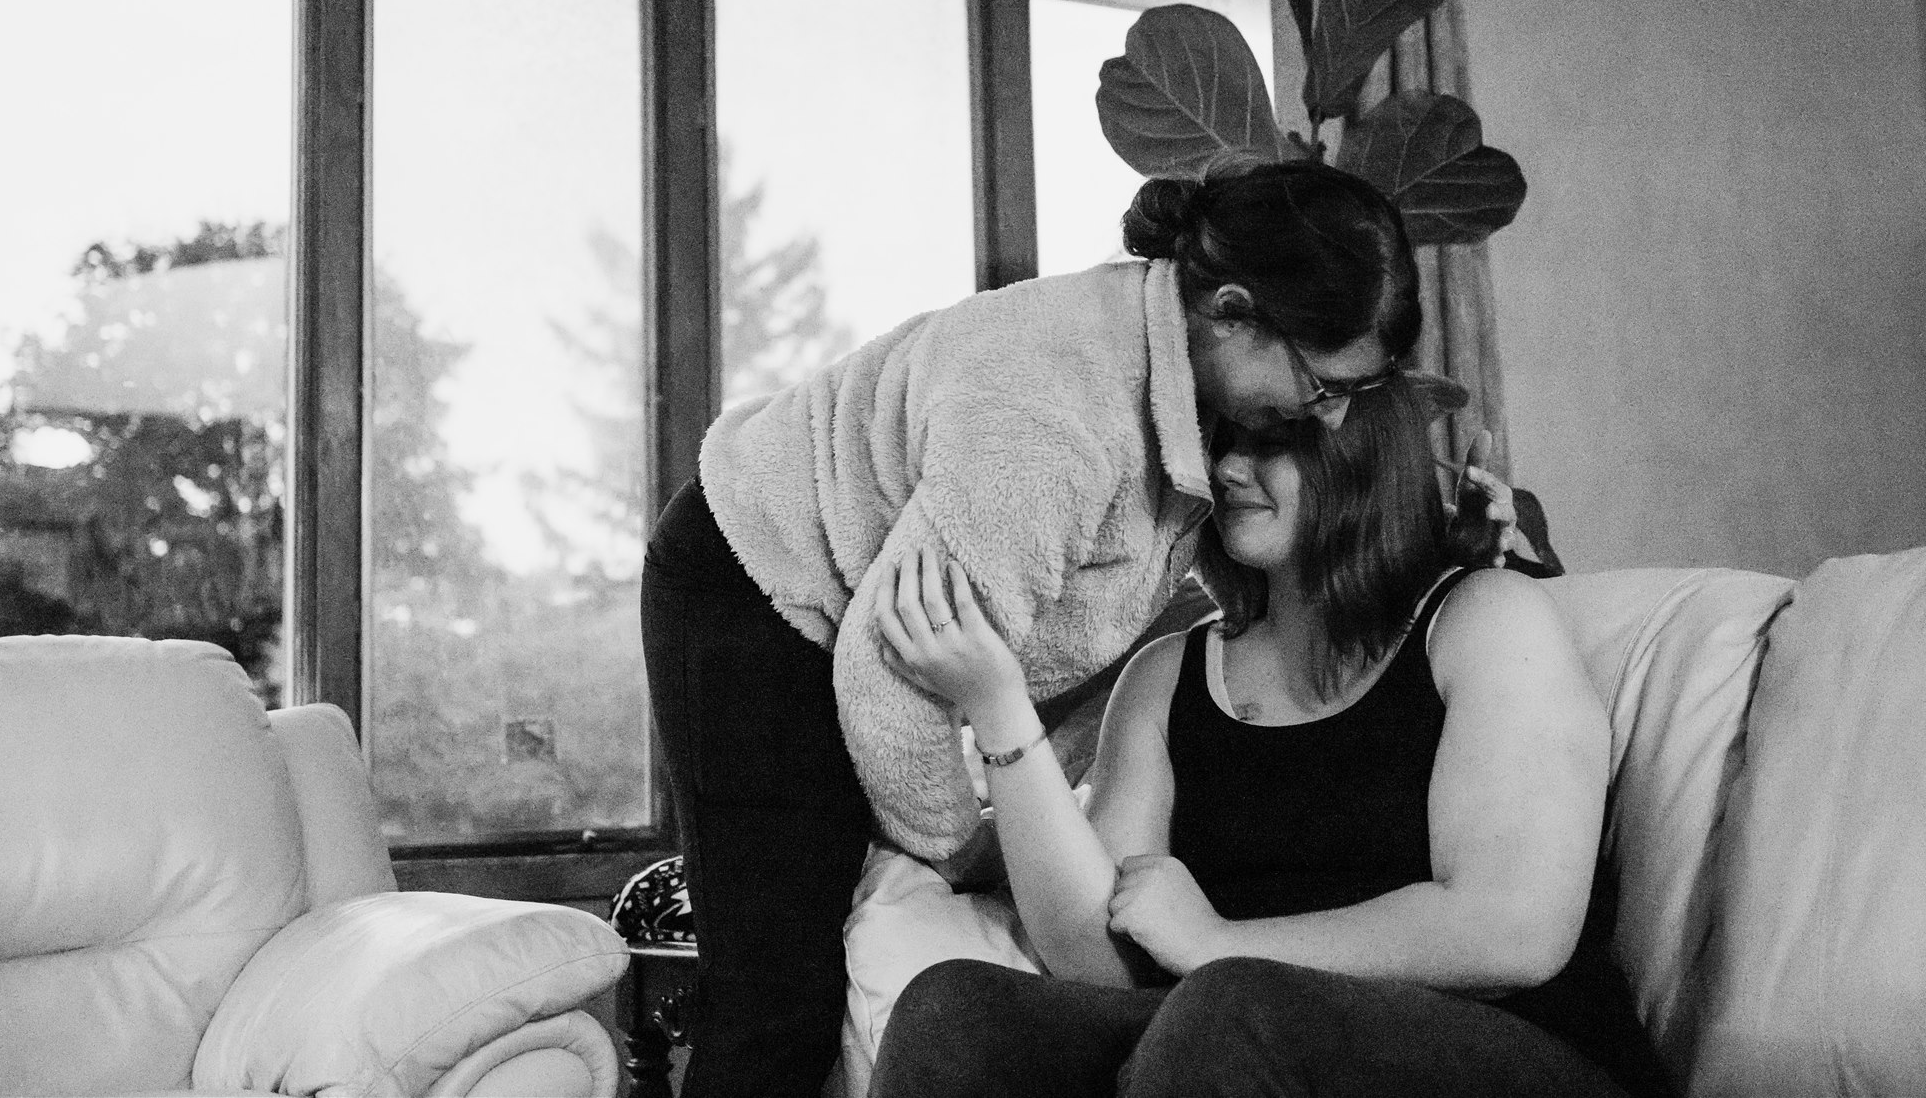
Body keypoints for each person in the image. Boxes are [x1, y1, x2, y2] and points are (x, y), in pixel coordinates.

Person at [641, 160, 1515, 1098]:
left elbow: (1294, 536)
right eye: (1322, 385)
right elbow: (883, 668)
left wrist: (1428, 542)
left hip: (860, 599)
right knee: (775, 999)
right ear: (1233, 311)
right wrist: (961, 847)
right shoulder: (1052, 430)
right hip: (753, 582)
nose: (1329, 412)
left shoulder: (1192, 374)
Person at [866, 377, 1670, 1098]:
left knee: (1224, 1011)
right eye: (1220, 441)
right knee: (954, 1016)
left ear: (1358, 451)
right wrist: (998, 705)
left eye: (1269, 440)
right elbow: (1100, 959)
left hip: (1521, 1051)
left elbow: (1514, 929)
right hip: (1225, 1038)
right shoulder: (1167, 678)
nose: (1226, 468)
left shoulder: (1485, 619)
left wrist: (1217, 942)